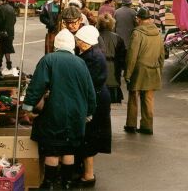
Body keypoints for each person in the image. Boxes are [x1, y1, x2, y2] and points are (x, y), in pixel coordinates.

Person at [23, 29, 96, 190]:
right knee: (68, 149)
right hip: (76, 113)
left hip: (54, 112)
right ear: (72, 46)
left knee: (52, 150)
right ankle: (67, 183)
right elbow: (90, 91)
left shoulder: (48, 60)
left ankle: (49, 183)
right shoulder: (80, 62)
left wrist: (28, 107)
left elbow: (36, 86)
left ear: (56, 45)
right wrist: (89, 112)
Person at [75, 25, 112, 188]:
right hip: (99, 96)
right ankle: (86, 171)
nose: (76, 42)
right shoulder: (94, 53)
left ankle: (88, 175)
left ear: (85, 42)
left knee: (89, 135)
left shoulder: (91, 57)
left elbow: (87, 83)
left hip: (95, 99)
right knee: (91, 135)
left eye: (78, 40)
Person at [124, 7, 165, 135]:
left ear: (139, 19)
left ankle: (131, 124)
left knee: (133, 97)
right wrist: (160, 70)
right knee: (148, 98)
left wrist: (127, 73)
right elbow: (161, 55)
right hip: (153, 68)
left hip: (139, 69)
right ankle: (147, 126)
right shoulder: (158, 33)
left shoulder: (137, 33)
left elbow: (132, 55)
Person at [97, 14, 126, 103]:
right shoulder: (118, 38)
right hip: (114, 71)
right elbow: (122, 57)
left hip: (99, 69)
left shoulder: (95, 37)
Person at [0, 0, 16, 70]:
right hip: (10, 31)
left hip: (3, 32)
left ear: (3, 1)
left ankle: (8, 65)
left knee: (5, 49)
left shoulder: (0, 9)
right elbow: (14, 20)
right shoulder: (11, 8)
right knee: (3, 48)